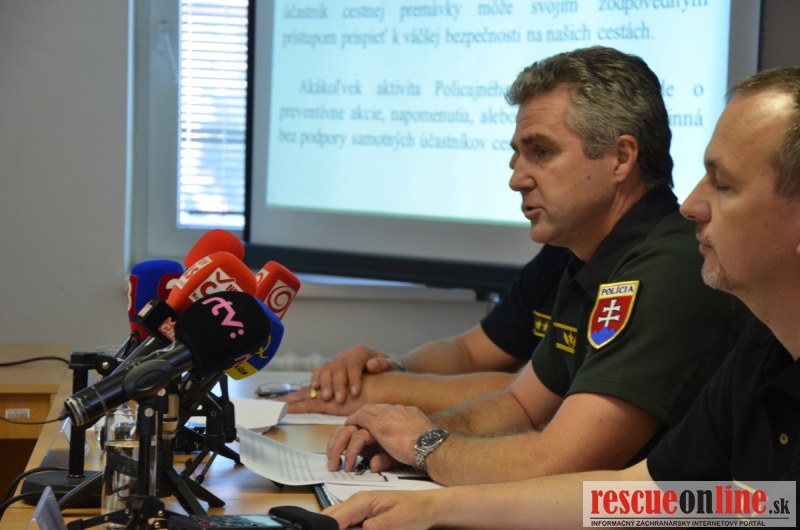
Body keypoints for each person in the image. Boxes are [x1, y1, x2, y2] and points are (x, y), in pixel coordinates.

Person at [322, 65, 800, 530]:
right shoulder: (766, 346)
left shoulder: (670, 269)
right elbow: (657, 494)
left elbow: (583, 466)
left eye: (723, 183)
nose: (692, 205)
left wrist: (426, 447)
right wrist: (432, 508)